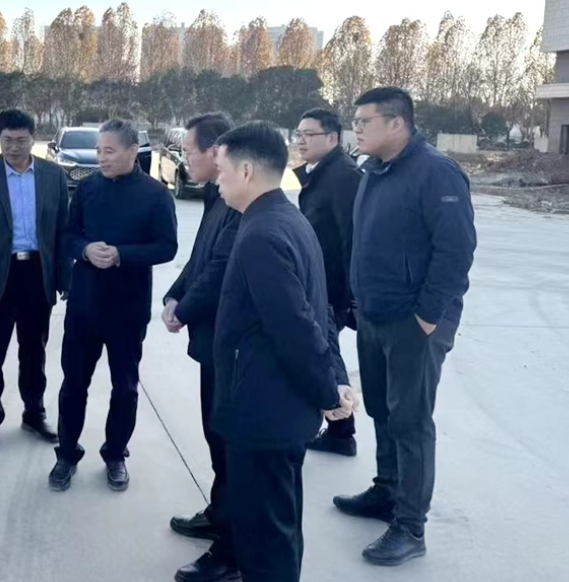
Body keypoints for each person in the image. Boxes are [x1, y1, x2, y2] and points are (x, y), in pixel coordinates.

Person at [179, 122, 355, 582]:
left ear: (247, 171)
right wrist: (335, 379)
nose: (217, 181)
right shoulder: (288, 220)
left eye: (222, 171)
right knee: (278, 527)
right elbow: (319, 312)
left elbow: (296, 327)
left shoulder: (261, 234)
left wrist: (329, 391)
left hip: (262, 413)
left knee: (264, 539)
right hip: (278, 411)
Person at [335, 87, 476, 566]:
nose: (356, 128)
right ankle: (387, 491)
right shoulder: (374, 170)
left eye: (365, 121)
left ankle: (410, 526)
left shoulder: (436, 172)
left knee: (411, 421)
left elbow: (455, 251)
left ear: (397, 123)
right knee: (381, 409)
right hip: (374, 316)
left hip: (414, 323)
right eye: (355, 121)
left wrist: (427, 317)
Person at [49, 119, 178, 492]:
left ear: (132, 151)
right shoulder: (87, 188)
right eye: (98, 151)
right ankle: (66, 454)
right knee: (74, 385)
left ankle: (116, 454)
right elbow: (68, 236)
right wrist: (85, 250)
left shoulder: (156, 195)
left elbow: (167, 247)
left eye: (109, 151)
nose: (101, 158)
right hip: (84, 306)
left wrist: (122, 255)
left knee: (125, 388)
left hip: (128, 308)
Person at [0, 109, 71, 453]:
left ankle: (34, 413)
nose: (14, 147)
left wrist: (64, 277)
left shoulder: (52, 175)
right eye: (7, 140)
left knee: (34, 351)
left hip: (37, 274)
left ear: (34, 139)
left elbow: (62, 231)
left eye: (21, 140)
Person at [162, 114, 240, 552]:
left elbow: (221, 268)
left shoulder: (238, 201)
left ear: (215, 152)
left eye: (189, 151)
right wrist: (175, 295)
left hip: (229, 343)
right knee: (214, 431)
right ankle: (220, 513)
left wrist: (185, 309)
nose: (185, 159)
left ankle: (230, 540)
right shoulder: (216, 193)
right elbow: (200, 259)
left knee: (227, 439)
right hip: (210, 339)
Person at [292, 108, 363, 457]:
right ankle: (340, 431)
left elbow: (353, 239)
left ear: (332, 138)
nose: (301, 141)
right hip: (319, 282)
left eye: (310, 135)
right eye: (299, 134)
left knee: (323, 355)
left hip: (332, 288)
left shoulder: (344, 176)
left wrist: (350, 297)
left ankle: (340, 429)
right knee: (325, 354)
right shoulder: (321, 172)